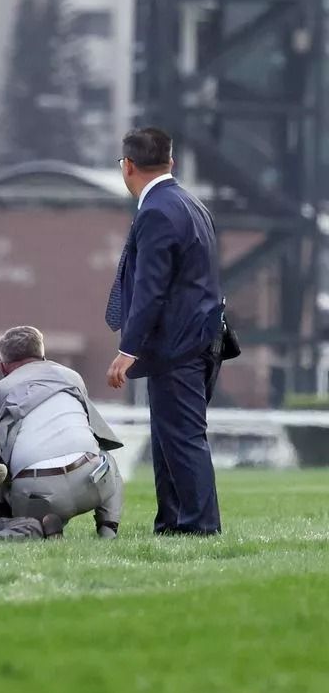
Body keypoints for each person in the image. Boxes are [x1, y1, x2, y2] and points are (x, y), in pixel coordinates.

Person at [105, 127, 223, 536]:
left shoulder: (155, 211)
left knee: (183, 438)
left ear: (128, 166)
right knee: (170, 438)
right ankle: (172, 523)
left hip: (178, 346)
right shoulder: (191, 204)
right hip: (204, 339)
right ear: (170, 162)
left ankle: (200, 527)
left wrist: (128, 348)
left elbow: (151, 290)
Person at [0, 326, 125, 539]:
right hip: (90, 483)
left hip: (32, 493)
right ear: (43, 356)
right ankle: (107, 531)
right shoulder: (71, 377)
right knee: (108, 460)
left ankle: (38, 525)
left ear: (2, 367)